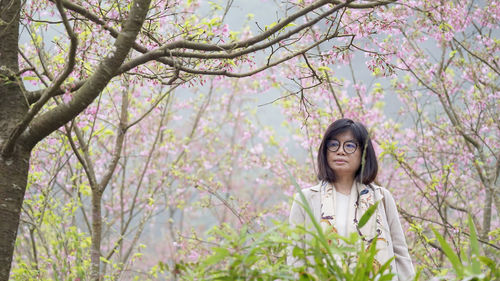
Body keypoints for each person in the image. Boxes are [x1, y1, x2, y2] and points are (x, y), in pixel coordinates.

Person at [288, 118, 415, 280]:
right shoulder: (305, 200)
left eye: (349, 145)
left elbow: (400, 254)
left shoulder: (381, 198)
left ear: (364, 153)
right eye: (333, 144)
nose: (340, 151)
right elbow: (295, 257)